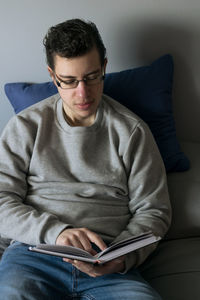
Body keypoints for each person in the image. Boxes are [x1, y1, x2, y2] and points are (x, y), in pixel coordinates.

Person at [0, 18, 171, 299]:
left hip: (108, 263)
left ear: (104, 67)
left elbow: (154, 210)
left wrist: (122, 257)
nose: (83, 93)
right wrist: (55, 232)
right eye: (68, 81)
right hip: (33, 256)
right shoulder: (25, 126)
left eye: (91, 77)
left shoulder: (132, 131)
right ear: (52, 75)